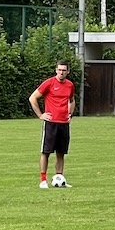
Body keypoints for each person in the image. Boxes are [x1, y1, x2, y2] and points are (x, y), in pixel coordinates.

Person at [29, 60, 76, 188]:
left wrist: (70, 114)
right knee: (46, 152)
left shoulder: (70, 85)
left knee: (61, 153)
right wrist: (40, 115)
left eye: (64, 70)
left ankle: (59, 178)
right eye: (59, 70)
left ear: (68, 71)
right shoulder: (49, 83)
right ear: (56, 70)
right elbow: (32, 98)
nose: (61, 72)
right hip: (51, 124)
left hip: (64, 124)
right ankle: (43, 180)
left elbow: (72, 100)